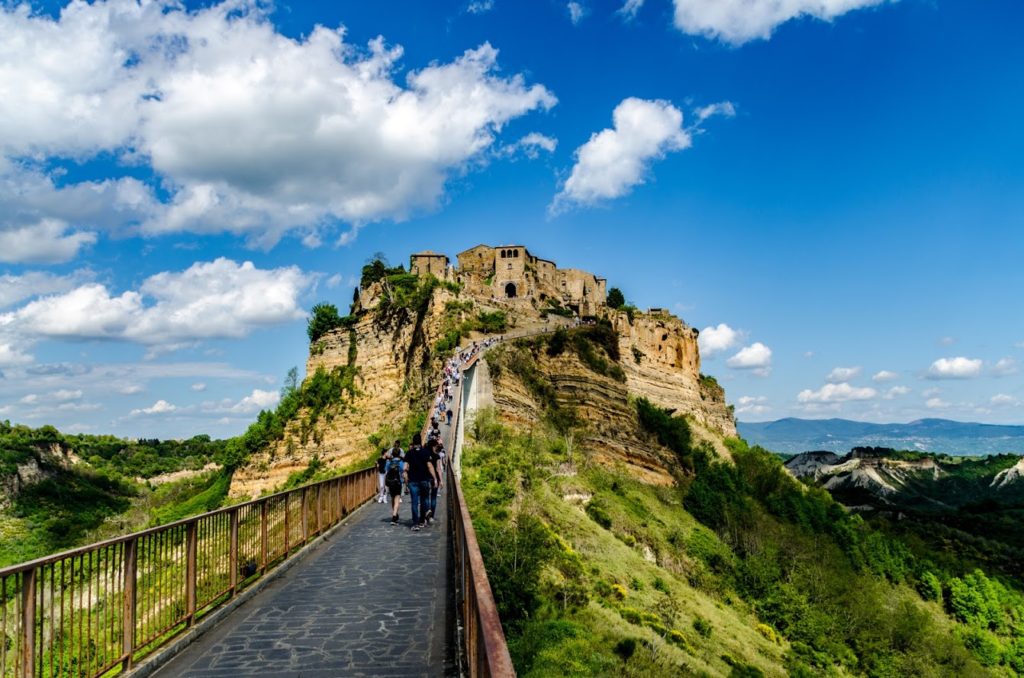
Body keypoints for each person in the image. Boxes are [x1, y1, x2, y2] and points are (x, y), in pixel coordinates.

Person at [403, 432, 437, 531]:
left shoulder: (409, 453)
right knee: (424, 500)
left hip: (413, 481)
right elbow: (430, 466)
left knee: (414, 502)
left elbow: (405, 468)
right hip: (424, 480)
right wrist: (434, 478)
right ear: (421, 441)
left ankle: (415, 523)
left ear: (413, 442)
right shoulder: (425, 452)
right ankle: (423, 518)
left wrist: (406, 481)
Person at [383, 451, 405, 525]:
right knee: (397, 499)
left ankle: (395, 514)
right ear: (399, 454)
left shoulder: (389, 462)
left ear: (392, 454)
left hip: (391, 483)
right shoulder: (400, 462)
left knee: (393, 498)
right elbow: (403, 471)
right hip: (398, 483)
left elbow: (385, 471)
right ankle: (394, 516)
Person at [427, 440, 443, 520]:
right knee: (433, 497)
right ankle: (431, 516)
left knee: (426, 496)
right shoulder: (437, 456)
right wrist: (441, 480)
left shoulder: (425, 455)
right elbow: (438, 468)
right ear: (434, 446)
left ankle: (426, 512)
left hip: (426, 478)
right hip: (434, 478)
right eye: (436, 445)